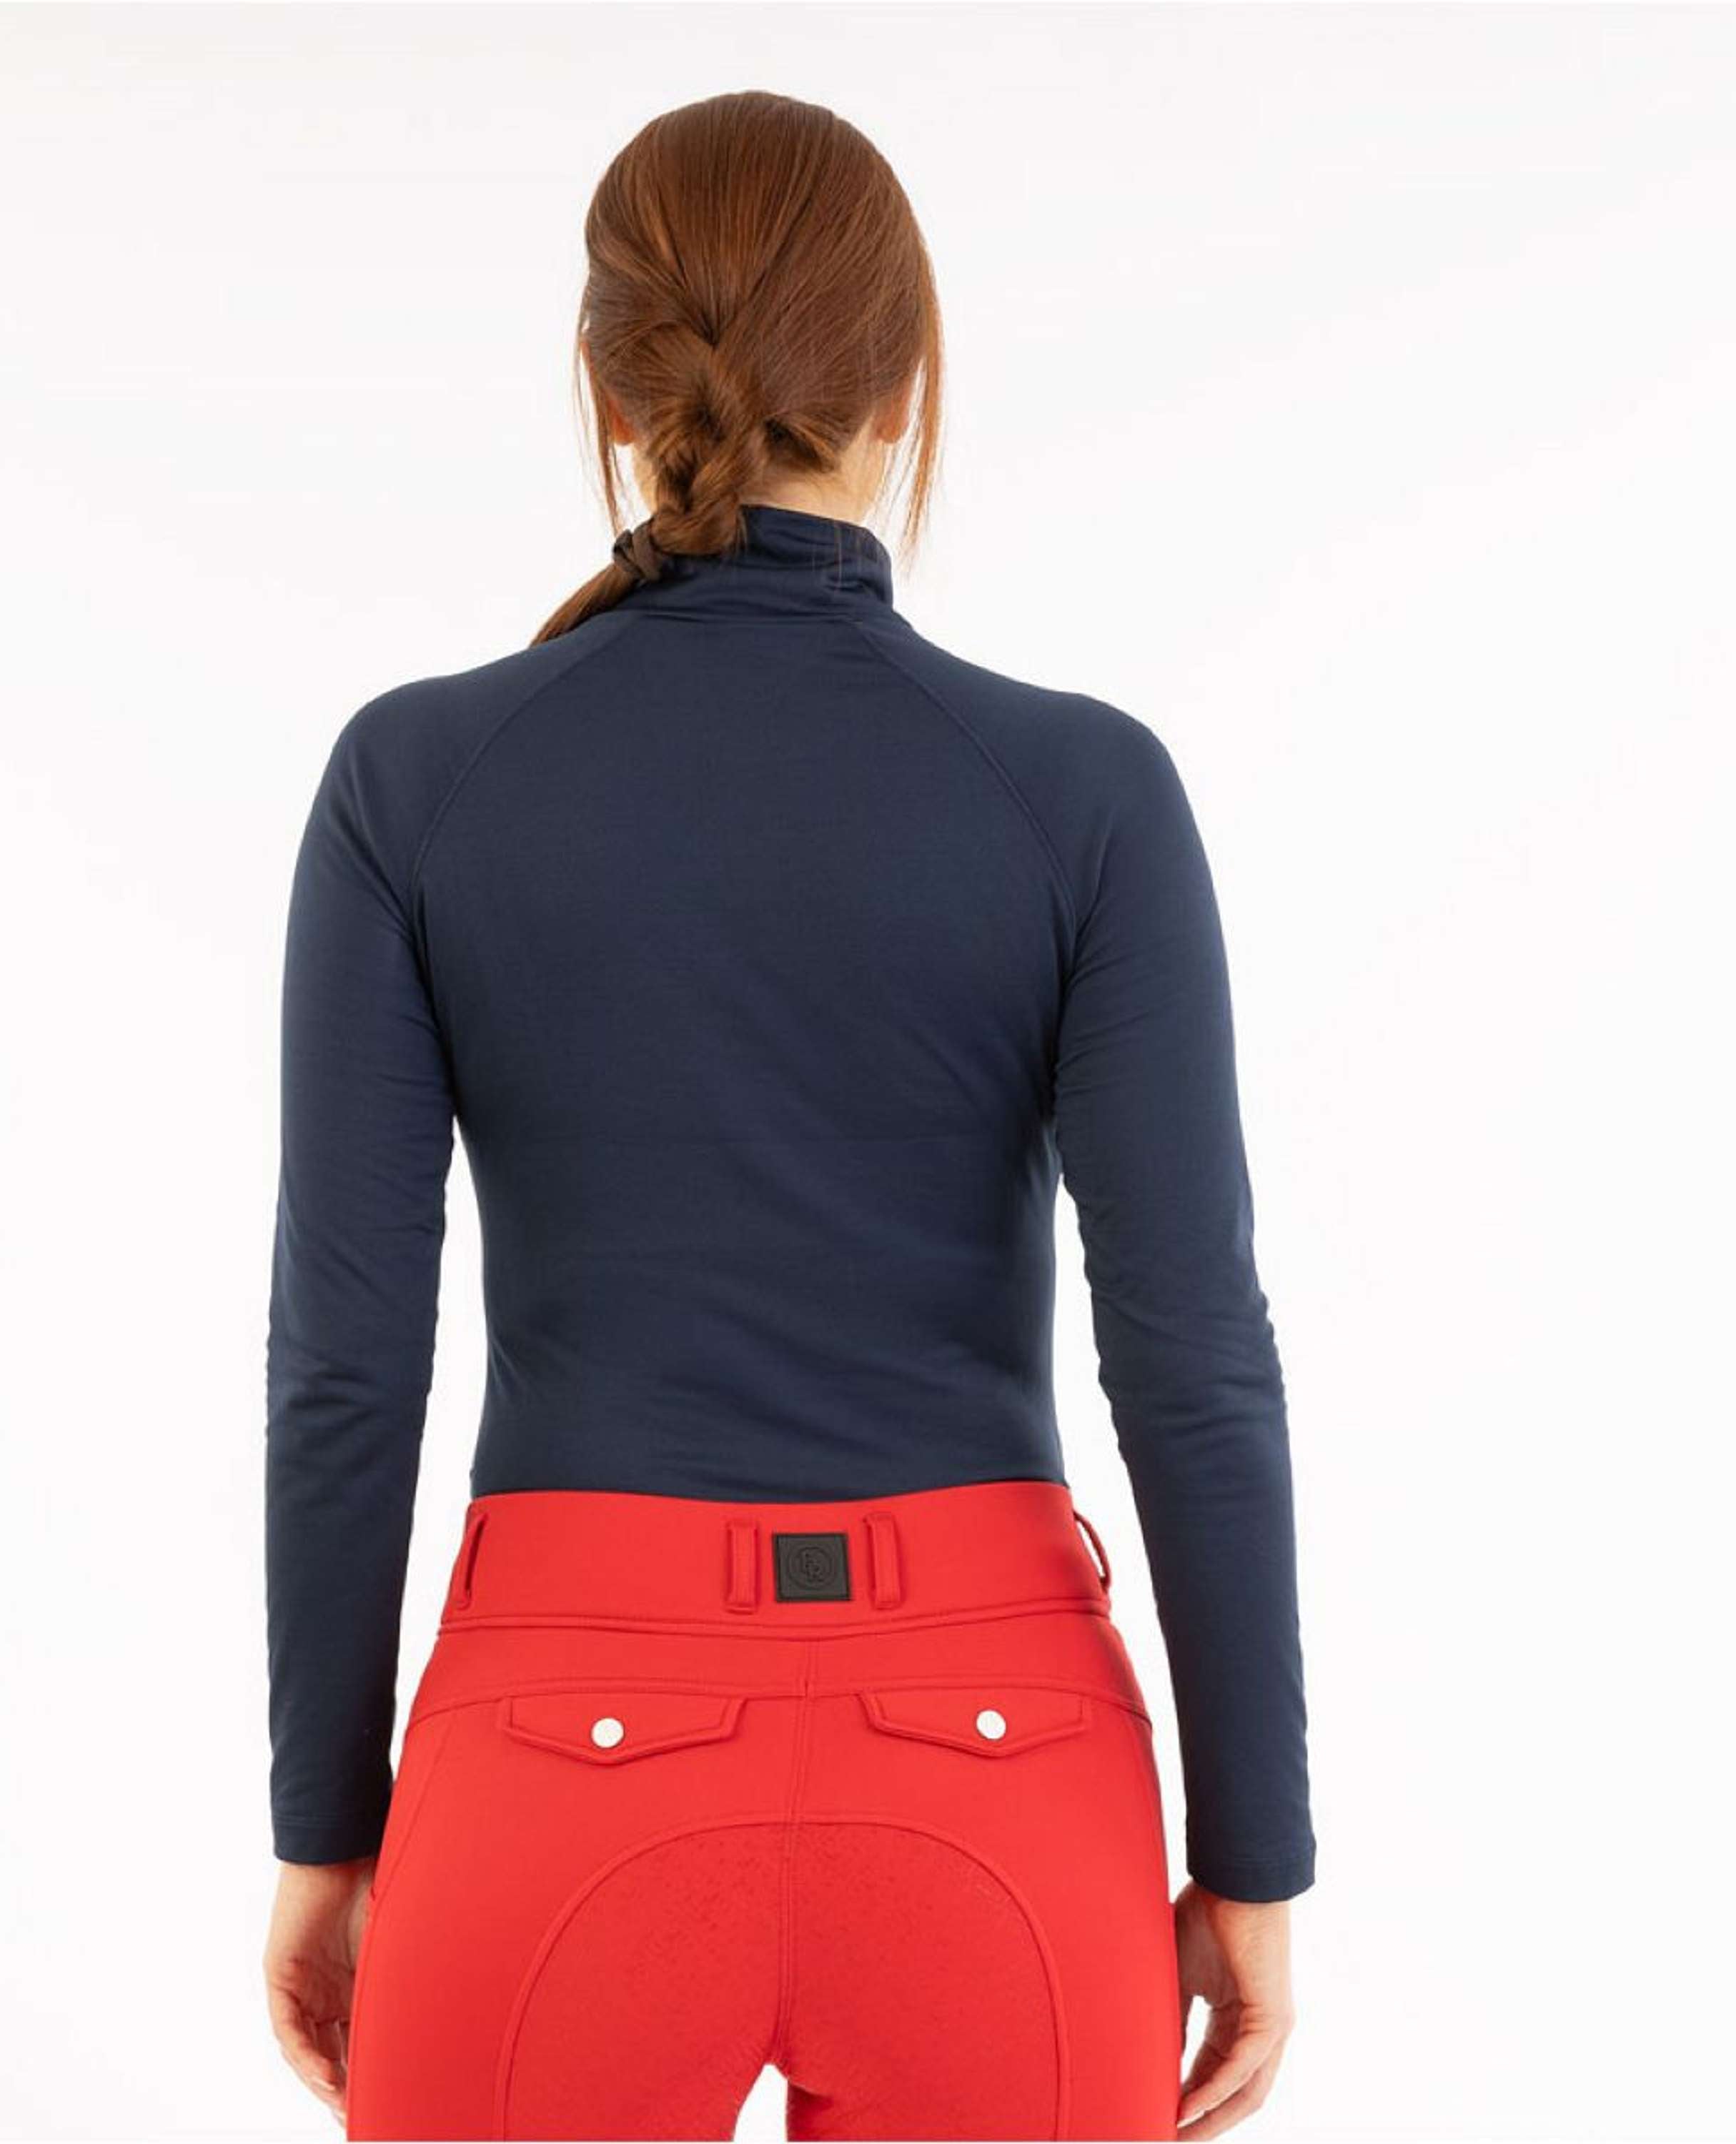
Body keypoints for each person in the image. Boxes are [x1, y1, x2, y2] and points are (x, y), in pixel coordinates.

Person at [259, 89, 1314, 2144]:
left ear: (609, 390)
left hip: (551, 1761)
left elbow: (345, 1366)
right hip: (1001, 1781)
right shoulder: (1085, 794)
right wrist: (1254, 1858)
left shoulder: (416, 782)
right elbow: (1197, 1357)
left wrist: (327, 1826)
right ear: (907, 388)